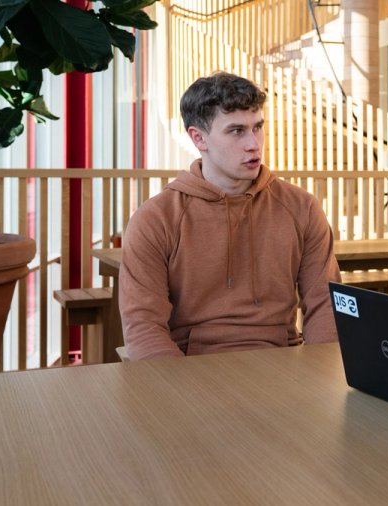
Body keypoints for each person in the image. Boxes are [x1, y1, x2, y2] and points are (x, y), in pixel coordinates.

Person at [119, 72, 341, 360]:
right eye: (236, 131)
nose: (253, 143)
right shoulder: (155, 219)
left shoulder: (302, 208)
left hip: (282, 364)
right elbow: (143, 325)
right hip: (191, 369)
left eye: (257, 127)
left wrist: (317, 375)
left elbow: (325, 303)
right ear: (199, 138)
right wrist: (176, 391)